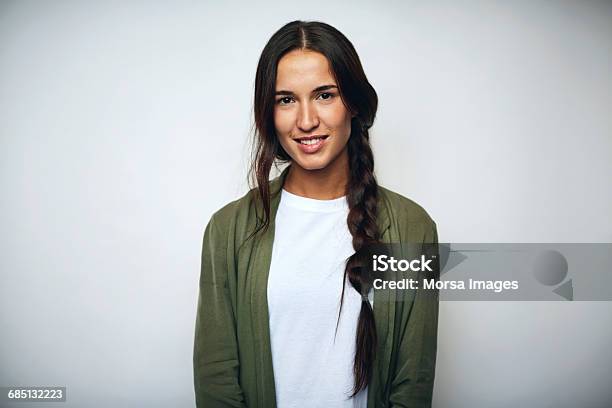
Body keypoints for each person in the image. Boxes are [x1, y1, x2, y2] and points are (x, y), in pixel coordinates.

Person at [193, 20, 439, 408]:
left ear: (353, 103)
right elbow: (216, 377)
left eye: (324, 95)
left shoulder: (412, 227)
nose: (306, 121)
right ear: (269, 112)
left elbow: (413, 381)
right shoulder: (227, 230)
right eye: (286, 100)